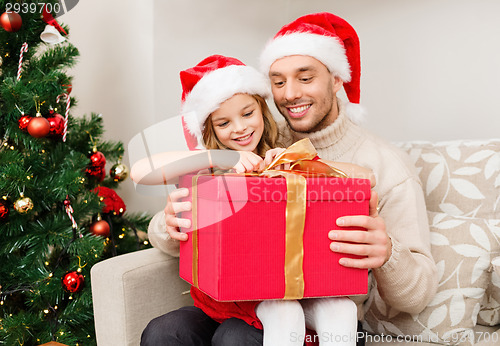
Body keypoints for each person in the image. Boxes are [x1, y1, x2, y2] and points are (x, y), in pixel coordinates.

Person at [146, 12, 438, 346]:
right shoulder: (257, 139)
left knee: (237, 336)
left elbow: (417, 296)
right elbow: (177, 193)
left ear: (337, 79)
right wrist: (170, 223)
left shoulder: (387, 164)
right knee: (164, 331)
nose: (290, 94)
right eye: (279, 81)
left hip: (316, 308)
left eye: (305, 77)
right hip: (235, 299)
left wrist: (388, 253)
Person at [135, 54, 376, 346]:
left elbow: (365, 178)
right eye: (223, 123)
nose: (239, 128)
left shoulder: (282, 156)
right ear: (210, 130)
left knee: (254, 329)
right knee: (164, 331)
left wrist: (297, 163)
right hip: (220, 302)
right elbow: (140, 171)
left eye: (247, 114)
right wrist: (223, 158)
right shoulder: (204, 168)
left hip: (277, 294)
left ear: (262, 111)